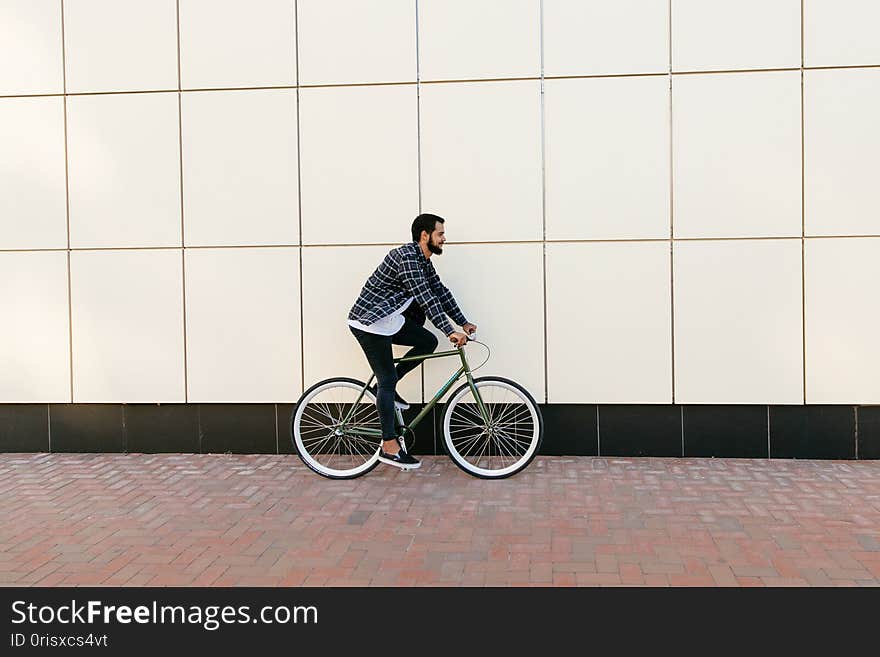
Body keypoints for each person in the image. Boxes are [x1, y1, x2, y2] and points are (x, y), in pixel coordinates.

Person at [348, 213, 477, 470]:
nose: (444, 239)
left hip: (390, 319)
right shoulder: (407, 257)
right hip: (369, 323)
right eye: (440, 234)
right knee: (386, 381)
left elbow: (439, 291)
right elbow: (425, 298)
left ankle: (388, 388)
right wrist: (449, 331)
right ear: (425, 235)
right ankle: (389, 445)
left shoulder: (423, 260)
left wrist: (462, 322)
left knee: (427, 342)